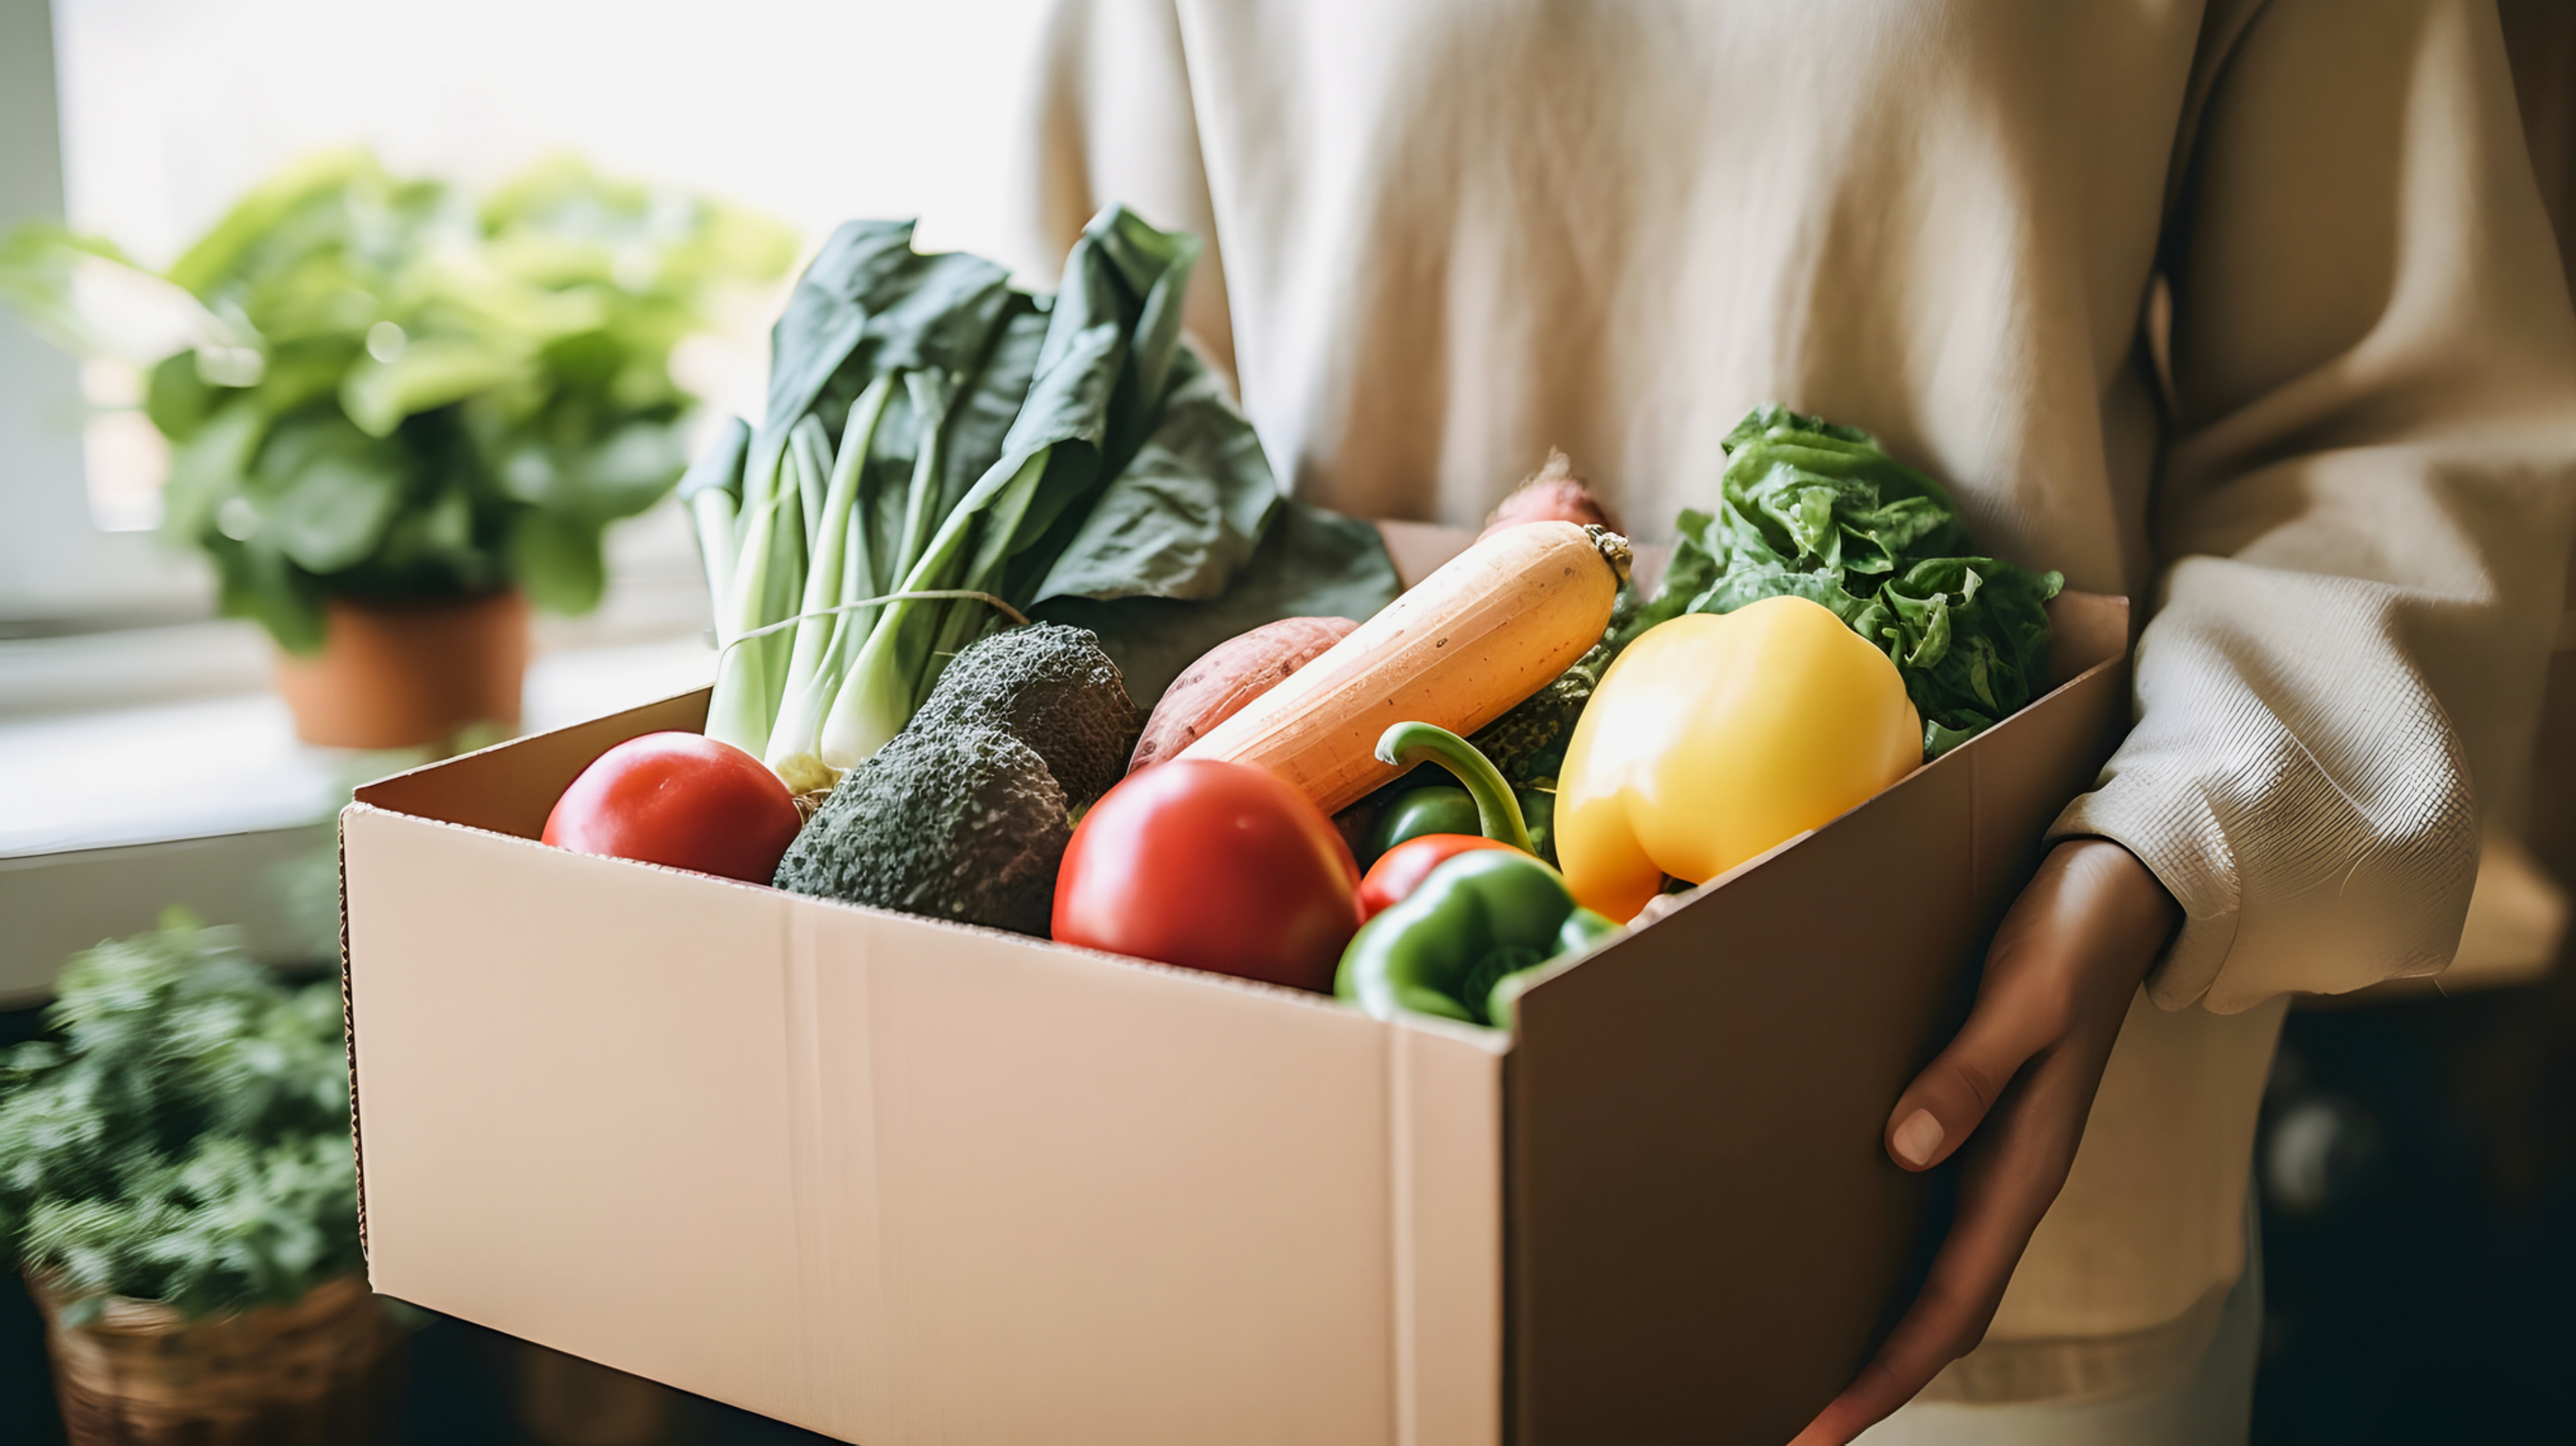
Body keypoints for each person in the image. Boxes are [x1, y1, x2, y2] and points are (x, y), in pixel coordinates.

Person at [1013, 1, 2576, 1441]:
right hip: (1309, 1139)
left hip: (1974, 1143)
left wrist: (2171, 850)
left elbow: (2395, 431)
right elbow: (1103, 367)